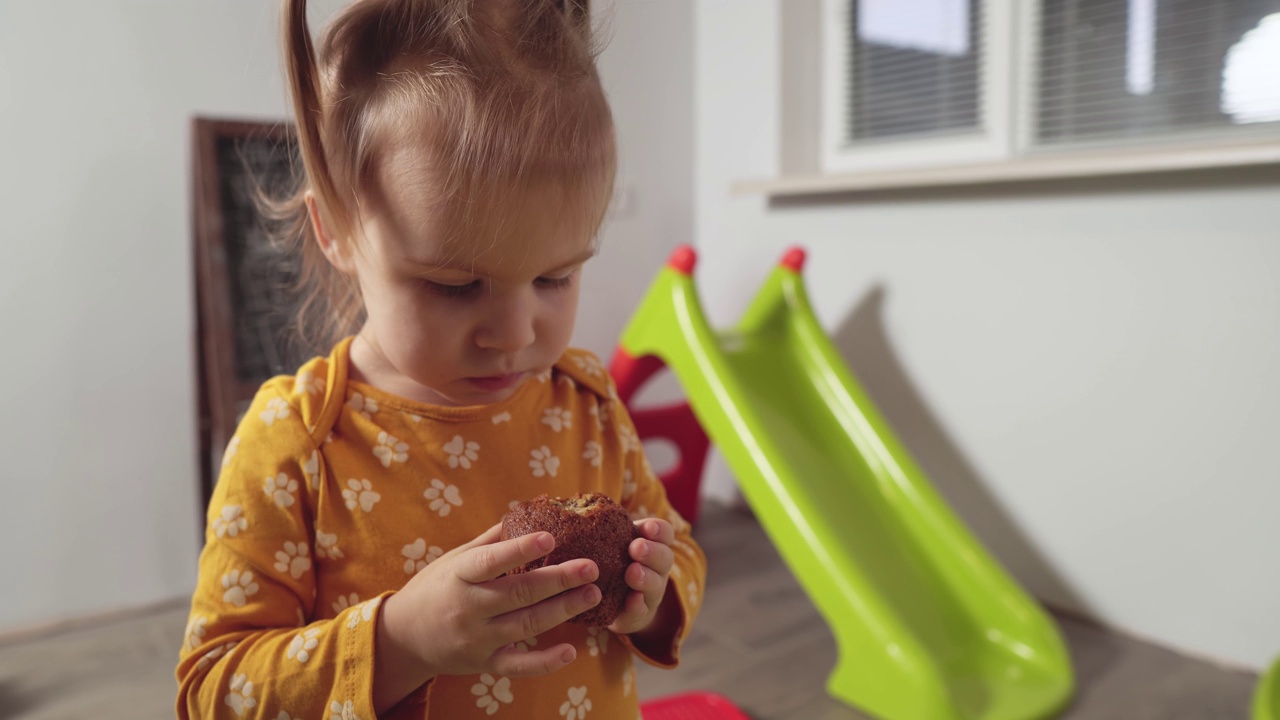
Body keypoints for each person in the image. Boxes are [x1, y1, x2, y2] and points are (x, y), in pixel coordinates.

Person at [175, 1, 706, 717]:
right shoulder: (297, 445)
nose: (514, 333)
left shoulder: (586, 402)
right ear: (334, 231)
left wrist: (654, 593)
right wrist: (401, 642)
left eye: (555, 277)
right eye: (455, 286)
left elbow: (677, 544)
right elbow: (214, 689)